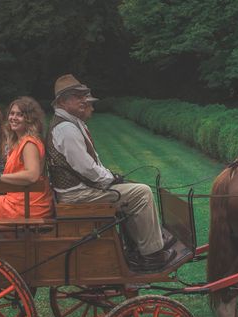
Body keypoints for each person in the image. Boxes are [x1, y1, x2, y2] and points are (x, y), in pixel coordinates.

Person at [46, 74, 177, 273]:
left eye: (84, 95)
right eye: (77, 96)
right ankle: (152, 255)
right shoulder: (66, 129)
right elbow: (87, 168)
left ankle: (141, 246)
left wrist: (112, 177)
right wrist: (111, 179)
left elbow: (91, 163)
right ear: (63, 101)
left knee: (132, 190)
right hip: (77, 195)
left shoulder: (71, 123)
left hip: (79, 190)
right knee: (141, 193)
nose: (84, 100)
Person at [0, 97, 53, 219]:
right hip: (22, 199)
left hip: (30, 205)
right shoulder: (19, 141)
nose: (13, 118)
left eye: (20, 115)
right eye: (12, 114)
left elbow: (32, 175)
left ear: (30, 119)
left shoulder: (29, 143)